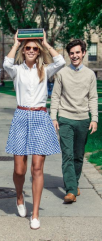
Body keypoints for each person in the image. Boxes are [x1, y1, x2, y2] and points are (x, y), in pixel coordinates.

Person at [3, 30, 65, 230]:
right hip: (21, 116)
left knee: (37, 168)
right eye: (27, 48)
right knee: (19, 170)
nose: (31, 50)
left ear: (38, 52)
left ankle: (35, 213)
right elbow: (5, 64)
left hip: (40, 117)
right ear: (23, 50)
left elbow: (61, 62)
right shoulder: (17, 70)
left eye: (34, 48)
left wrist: (45, 42)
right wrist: (15, 43)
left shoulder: (45, 70)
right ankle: (19, 196)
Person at [50, 39, 98, 203]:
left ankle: (74, 183)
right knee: (68, 155)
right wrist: (53, 117)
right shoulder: (62, 73)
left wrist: (95, 119)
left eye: (78, 52)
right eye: (72, 53)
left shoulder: (90, 74)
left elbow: (93, 97)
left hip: (83, 119)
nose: (75, 56)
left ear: (83, 53)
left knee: (78, 156)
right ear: (69, 55)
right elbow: (55, 96)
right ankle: (71, 190)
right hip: (65, 119)